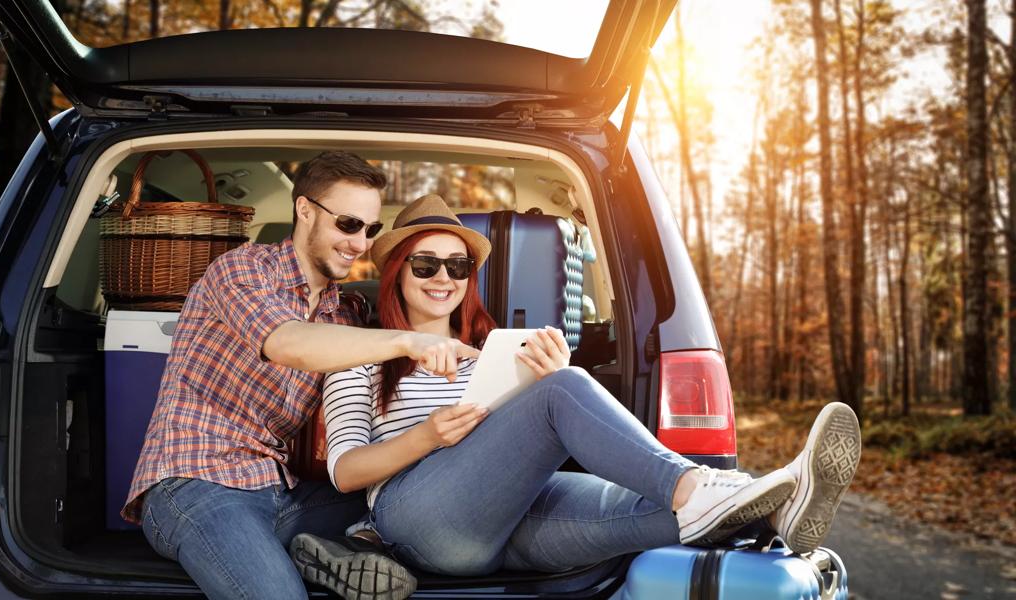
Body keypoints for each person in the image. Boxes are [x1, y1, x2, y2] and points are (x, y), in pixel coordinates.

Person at [296, 194, 862, 581]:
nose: (444, 277)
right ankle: (707, 483)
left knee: (659, 509)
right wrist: (429, 436)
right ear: (394, 270)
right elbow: (347, 470)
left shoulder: (500, 352)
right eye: (424, 264)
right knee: (569, 388)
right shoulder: (365, 356)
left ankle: (774, 505)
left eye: (458, 265)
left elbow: (522, 446)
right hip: (418, 518)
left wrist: (543, 381)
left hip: (511, 517)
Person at [122, 153, 470, 600]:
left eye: (371, 229)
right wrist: (406, 342)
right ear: (305, 210)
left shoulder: (347, 313)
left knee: (409, 507)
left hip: (285, 495)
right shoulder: (242, 270)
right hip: (197, 483)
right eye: (348, 224)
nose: (361, 243)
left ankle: (337, 549)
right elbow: (287, 343)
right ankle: (323, 557)